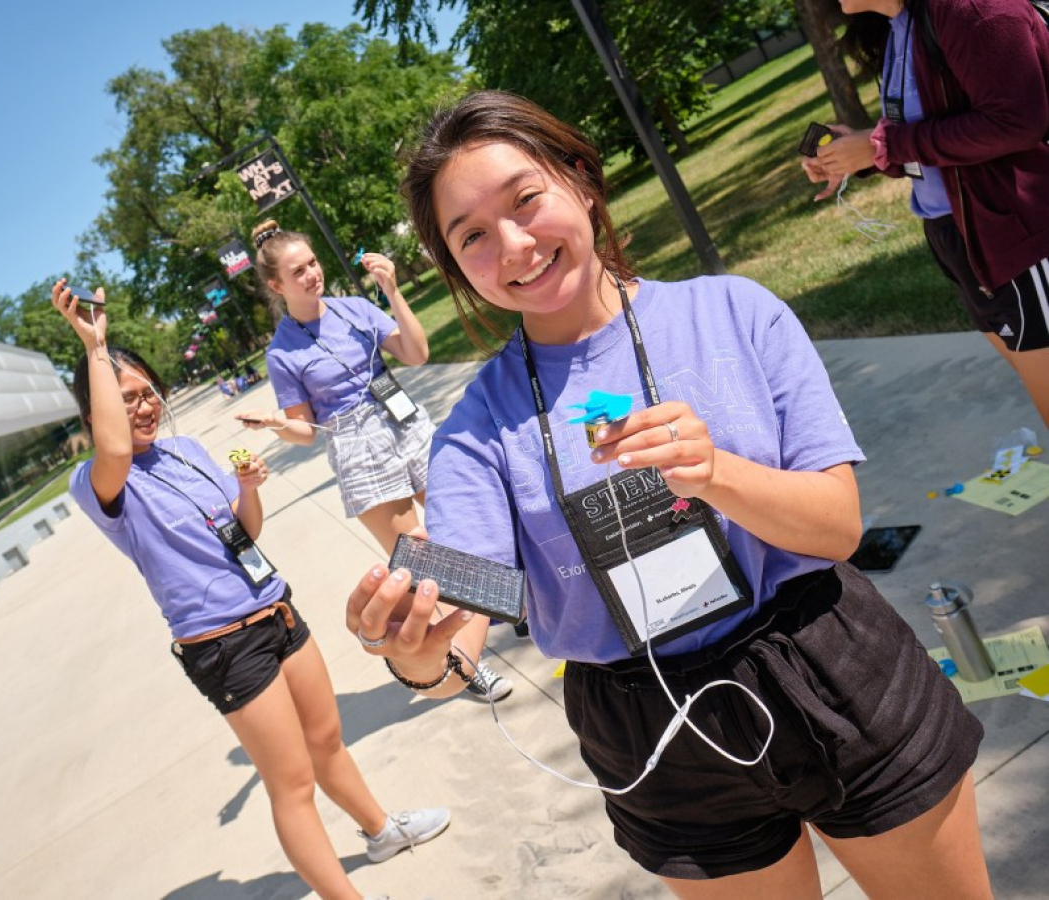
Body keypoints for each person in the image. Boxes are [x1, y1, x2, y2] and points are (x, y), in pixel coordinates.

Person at [346, 91, 993, 899]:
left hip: (832, 665)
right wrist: (418, 657)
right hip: (648, 729)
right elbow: (459, 636)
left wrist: (714, 472)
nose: (513, 245)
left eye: (526, 200)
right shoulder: (475, 435)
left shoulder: (735, 312)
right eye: (471, 235)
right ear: (455, 266)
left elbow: (836, 527)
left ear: (581, 181)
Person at [50, 279, 449, 900]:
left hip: (275, 612)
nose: (143, 407)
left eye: (147, 392)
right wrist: (94, 347)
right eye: (125, 400)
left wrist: (251, 487)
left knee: (327, 743)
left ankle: (380, 829)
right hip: (224, 647)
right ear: (98, 411)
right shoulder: (103, 483)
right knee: (291, 784)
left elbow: (243, 532)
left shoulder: (185, 450)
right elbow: (113, 444)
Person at [235, 219, 515, 702]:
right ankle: (466, 665)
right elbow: (305, 432)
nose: (311, 275)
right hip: (355, 446)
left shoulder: (355, 309)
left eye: (313, 262)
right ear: (277, 285)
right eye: (297, 271)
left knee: (468, 520)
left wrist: (391, 290)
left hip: (404, 419)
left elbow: (416, 351)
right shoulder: (283, 352)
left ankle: (518, 606)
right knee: (427, 560)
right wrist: (275, 423)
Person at [803, 0, 1049, 427]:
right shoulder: (904, 24)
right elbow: (937, 141)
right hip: (963, 238)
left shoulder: (974, 9)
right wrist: (863, 151)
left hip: (1021, 231)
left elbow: (1016, 122)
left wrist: (885, 145)